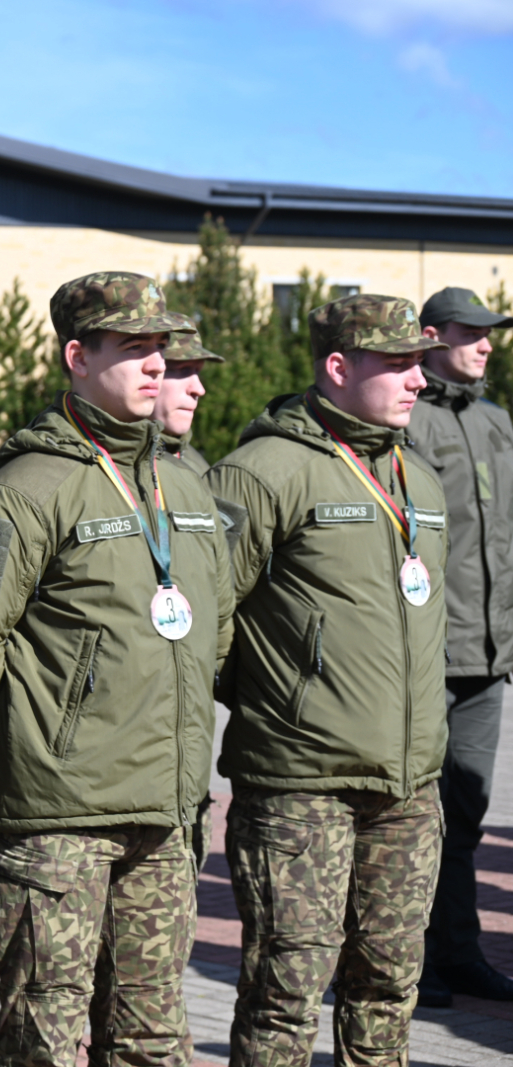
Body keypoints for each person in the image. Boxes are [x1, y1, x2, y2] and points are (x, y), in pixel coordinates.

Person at [0, 272, 230, 1067]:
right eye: (133, 348)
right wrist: (55, 712)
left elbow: (212, 626)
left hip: (164, 811)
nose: (156, 365)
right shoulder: (29, 487)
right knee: (43, 1039)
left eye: (160, 347)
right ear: (77, 356)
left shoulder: (183, 481)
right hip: (58, 817)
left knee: (154, 1038)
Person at [206, 294, 449, 1064]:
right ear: (338, 367)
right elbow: (206, 621)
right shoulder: (261, 471)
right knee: (285, 990)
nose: (418, 379)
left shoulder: (423, 480)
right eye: (398, 363)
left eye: (420, 361)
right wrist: (289, 699)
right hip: (299, 786)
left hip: (408, 787)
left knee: (388, 986)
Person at [409, 286, 513, 1005]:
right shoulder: (405, 419)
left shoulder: (497, 421)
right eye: (469, 331)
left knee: (467, 815)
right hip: (428, 655)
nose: (484, 343)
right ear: (430, 335)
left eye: (489, 332)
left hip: (489, 658)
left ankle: (459, 951)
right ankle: (404, 959)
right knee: (415, 816)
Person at [151, 316, 223, 476]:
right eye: (182, 370)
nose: (198, 389)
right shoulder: (96, 461)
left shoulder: (199, 470)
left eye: (198, 371)